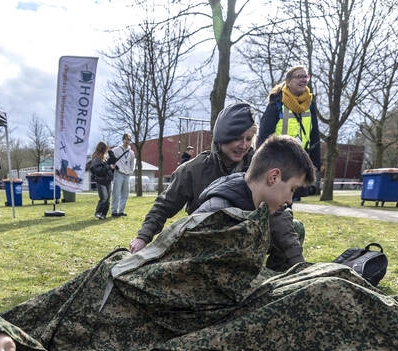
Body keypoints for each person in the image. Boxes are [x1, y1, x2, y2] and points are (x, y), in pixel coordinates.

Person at [130, 102, 306, 271]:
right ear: (222, 137)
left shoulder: (258, 168)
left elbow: (278, 214)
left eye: (248, 139)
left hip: (247, 239)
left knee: (294, 228)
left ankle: (270, 281)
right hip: (208, 241)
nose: (243, 145)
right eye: (237, 138)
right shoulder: (193, 170)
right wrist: (143, 237)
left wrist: (298, 264)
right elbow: (164, 206)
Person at [193, 135, 314, 221]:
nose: (289, 200)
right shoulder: (216, 219)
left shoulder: (257, 210)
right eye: (292, 189)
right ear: (274, 177)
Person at [256, 65, 322, 201]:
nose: (303, 80)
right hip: (277, 164)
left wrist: (315, 165)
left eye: (305, 76)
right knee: (274, 205)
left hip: (299, 164)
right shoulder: (276, 104)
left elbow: (314, 136)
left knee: (288, 205)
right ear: (288, 81)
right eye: (299, 76)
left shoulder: (309, 105)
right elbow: (263, 136)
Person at [109, 133, 136, 217]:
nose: (127, 141)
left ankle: (121, 211)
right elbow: (109, 157)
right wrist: (112, 166)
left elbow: (132, 163)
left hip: (127, 175)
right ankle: (114, 211)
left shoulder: (131, 152)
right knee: (116, 193)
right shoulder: (116, 149)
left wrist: (131, 171)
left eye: (128, 139)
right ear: (123, 139)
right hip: (118, 173)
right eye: (125, 139)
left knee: (125, 194)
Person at [90, 141, 115, 220]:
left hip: (108, 180)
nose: (107, 150)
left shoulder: (105, 157)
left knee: (107, 200)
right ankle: (98, 212)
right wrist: (109, 167)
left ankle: (103, 214)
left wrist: (110, 151)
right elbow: (99, 171)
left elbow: (113, 160)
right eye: (106, 149)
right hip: (101, 181)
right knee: (104, 198)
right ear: (102, 149)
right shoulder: (96, 158)